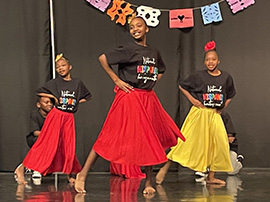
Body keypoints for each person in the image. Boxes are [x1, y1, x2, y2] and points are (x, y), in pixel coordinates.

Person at [74, 16, 185, 194]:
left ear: (146, 28)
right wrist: (116, 80)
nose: (135, 29)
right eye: (131, 27)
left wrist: (150, 83)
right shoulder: (128, 49)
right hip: (130, 98)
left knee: (149, 139)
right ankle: (83, 174)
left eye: (138, 26)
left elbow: (161, 70)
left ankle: (148, 182)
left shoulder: (153, 52)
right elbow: (103, 58)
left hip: (148, 98)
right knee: (108, 136)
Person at [156, 41, 236, 185]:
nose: (210, 62)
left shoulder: (226, 77)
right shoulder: (199, 76)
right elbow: (182, 86)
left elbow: (230, 94)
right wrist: (193, 99)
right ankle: (165, 167)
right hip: (199, 114)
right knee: (185, 142)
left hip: (214, 115)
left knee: (217, 144)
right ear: (204, 62)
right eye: (207, 60)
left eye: (213, 59)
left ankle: (211, 176)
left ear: (218, 60)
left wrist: (223, 107)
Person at [14, 53, 92, 184]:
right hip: (56, 116)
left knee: (68, 146)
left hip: (69, 117)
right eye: (58, 67)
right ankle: (21, 168)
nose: (60, 68)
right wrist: (55, 98)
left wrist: (76, 102)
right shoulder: (55, 83)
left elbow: (87, 96)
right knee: (46, 144)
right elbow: (39, 91)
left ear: (70, 66)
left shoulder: (77, 83)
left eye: (63, 65)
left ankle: (69, 174)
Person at [26, 96, 53, 180]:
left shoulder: (53, 115)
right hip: (35, 139)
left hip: (50, 139)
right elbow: (35, 132)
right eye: (46, 102)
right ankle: (36, 168)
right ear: (39, 105)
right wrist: (49, 135)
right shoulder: (34, 114)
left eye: (51, 102)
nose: (50, 104)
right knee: (41, 141)